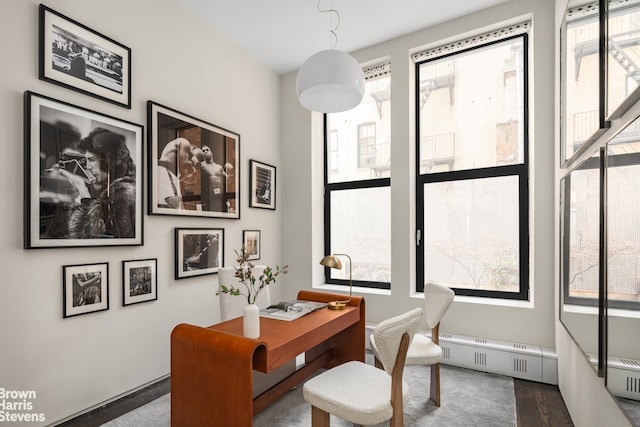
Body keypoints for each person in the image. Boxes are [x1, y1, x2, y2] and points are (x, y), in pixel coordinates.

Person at [64, 127, 137, 239]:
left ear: (110, 160)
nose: (88, 166)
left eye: (92, 159)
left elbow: (91, 239)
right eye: (86, 160)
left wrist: (84, 195)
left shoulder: (125, 192)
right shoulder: (110, 190)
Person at [157, 137, 202, 209]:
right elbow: (176, 206)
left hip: (167, 172)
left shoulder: (174, 173)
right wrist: (193, 161)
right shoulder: (184, 142)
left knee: (169, 204)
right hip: (165, 169)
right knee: (176, 206)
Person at [200, 145, 228, 212]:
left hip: (220, 194)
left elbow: (227, 178)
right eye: (203, 151)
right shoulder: (202, 165)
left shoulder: (219, 167)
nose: (205, 152)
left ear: (211, 152)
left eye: (207, 150)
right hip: (209, 196)